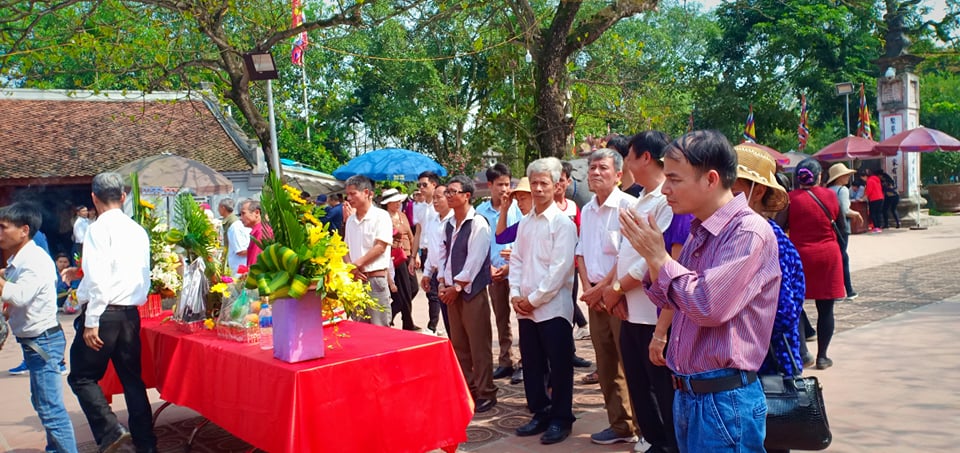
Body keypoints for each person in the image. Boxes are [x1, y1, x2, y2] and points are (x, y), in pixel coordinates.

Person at [622, 130, 780, 452]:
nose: (665, 189)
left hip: (723, 401)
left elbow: (708, 306)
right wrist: (656, 260)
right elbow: (667, 297)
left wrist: (658, 257)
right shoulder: (700, 230)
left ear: (710, 179)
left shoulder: (748, 232)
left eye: (675, 179)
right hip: (691, 395)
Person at [585, 131, 680, 453]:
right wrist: (608, 289)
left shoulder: (666, 202)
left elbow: (652, 260)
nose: (624, 164)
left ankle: (669, 443)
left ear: (645, 159)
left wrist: (614, 289)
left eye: (627, 157)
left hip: (654, 310)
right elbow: (624, 253)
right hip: (630, 310)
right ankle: (654, 440)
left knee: (660, 387)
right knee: (639, 385)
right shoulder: (641, 200)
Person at [65, 172, 158, 453]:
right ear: (123, 197)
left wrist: (91, 320)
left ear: (94, 198)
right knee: (132, 380)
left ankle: (110, 429)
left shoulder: (97, 229)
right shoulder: (137, 230)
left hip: (104, 313)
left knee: (81, 377)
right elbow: (141, 274)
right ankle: (146, 444)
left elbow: (99, 278)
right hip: (129, 313)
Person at [572, 149, 640, 446]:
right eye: (592, 168)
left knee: (631, 364)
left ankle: (644, 427)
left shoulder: (629, 206)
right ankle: (620, 425)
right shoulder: (587, 210)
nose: (595, 173)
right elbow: (581, 252)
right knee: (607, 364)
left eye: (602, 168)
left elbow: (629, 255)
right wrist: (589, 289)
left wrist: (605, 291)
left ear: (619, 175)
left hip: (623, 296)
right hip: (596, 297)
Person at [510, 157, 579, 445]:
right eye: (534, 183)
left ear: (556, 186)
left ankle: (562, 418)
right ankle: (540, 411)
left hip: (552, 308)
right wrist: (515, 293)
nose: (537, 189)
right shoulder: (525, 223)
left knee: (560, 365)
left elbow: (560, 269)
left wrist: (534, 299)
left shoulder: (563, 224)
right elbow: (516, 259)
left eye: (543, 183)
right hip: (526, 307)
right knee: (533, 365)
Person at [0, 202, 79, 453]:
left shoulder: (34, 260)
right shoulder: (22, 258)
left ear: (24, 230)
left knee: (50, 409)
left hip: (43, 341)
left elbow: (19, 295)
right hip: (37, 341)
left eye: (3, 228)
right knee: (43, 403)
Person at [732, 145, 805, 378]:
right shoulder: (732, 234)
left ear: (758, 191)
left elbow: (784, 312)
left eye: (733, 190)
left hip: (768, 362)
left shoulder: (769, 238)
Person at [437, 175, 498, 413]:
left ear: (467, 196)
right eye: (448, 192)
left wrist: (457, 286)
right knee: (459, 343)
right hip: (452, 292)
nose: (449, 196)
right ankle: (468, 388)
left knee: (479, 344)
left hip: (471, 292)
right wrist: (443, 281)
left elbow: (475, 260)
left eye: (453, 191)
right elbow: (444, 256)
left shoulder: (478, 223)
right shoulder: (448, 224)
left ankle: (486, 391)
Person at [789, 159, 845, 370]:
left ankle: (803, 353)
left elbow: (781, 225)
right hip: (828, 256)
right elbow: (843, 228)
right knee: (826, 308)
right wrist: (841, 250)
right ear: (819, 176)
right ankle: (823, 357)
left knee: (796, 306)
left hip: (800, 256)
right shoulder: (831, 195)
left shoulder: (790, 199)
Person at [475, 163, 523, 381]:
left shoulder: (519, 208)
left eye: (507, 184)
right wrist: (489, 267)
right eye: (500, 185)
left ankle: (525, 361)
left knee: (523, 317)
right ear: (490, 185)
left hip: (517, 271)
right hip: (494, 272)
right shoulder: (480, 212)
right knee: (501, 317)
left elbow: (523, 241)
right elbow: (478, 244)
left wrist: (510, 265)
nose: (505, 189)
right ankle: (506, 360)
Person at [342, 175, 393, 326]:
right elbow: (345, 248)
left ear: (366, 192)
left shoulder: (381, 216)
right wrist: (351, 268)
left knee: (381, 327)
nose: (349, 198)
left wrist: (356, 264)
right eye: (348, 194)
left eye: (353, 193)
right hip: (356, 280)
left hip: (375, 280)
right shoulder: (351, 220)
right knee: (360, 326)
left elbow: (380, 247)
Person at [556, 162, 591, 368]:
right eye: (555, 179)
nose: (558, 184)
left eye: (562, 179)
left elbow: (580, 235)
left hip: (571, 267)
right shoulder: (542, 207)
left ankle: (570, 352)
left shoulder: (572, 207)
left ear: (568, 181)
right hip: (549, 268)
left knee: (569, 307)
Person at [381, 188, 419, 331]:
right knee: (405, 290)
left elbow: (411, 235)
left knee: (413, 288)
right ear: (387, 203)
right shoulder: (384, 217)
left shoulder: (402, 215)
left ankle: (391, 314)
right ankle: (408, 322)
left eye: (399, 201)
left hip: (408, 254)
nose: (398, 203)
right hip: (395, 256)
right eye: (394, 201)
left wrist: (416, 255)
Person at [420, 185, 454, 335]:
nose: (435, 201)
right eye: (433, 198)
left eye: (438, 197)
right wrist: (427, 273)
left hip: (451, 276)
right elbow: (431, 250)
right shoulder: (433, 222)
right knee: (447, 316)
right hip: (436, 274)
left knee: (455, 319)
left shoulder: (454, 221)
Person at [827, 163, 863, 299]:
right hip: (841, 228)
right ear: (840, 177)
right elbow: (845, 211)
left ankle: (841, 289)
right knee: (842, 258)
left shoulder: (828, 190)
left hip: (830, 227)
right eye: (846, 175)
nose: (848, 177)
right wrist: (856, 214)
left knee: (838, 258)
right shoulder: (842, 190)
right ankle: (847, 290)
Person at [238, 199, 272, 267]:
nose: (241, 218)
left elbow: (254, 264)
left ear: (257, 213)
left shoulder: (261, 231)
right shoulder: (259, 230)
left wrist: (248, 273)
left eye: (243, 213)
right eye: (240, 214)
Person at [222, 199, 251, 274]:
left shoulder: (251, 227)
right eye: (242, 214)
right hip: (240, 271)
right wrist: (260, 249)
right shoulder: (236, 227)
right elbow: (240, 251)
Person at [863, 168, 885, 233]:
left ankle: (876, 227)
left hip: (874, 198)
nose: (863, 179)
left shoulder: (869, 181)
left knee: (873, 213)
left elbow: (869, 191)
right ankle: (879, 226)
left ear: (865, 176)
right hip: (880, 197)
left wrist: (864, 197)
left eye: (863, 178)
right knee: (878, 213)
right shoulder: (876, 179)